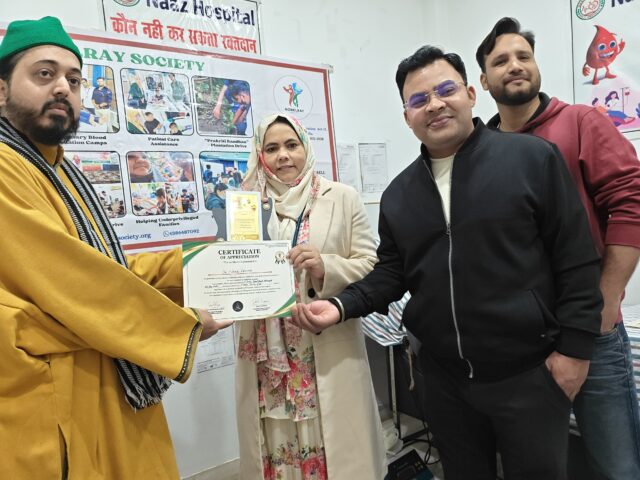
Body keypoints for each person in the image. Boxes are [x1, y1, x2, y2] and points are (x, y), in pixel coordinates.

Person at [293, 46, 603, 480]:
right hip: (444, 381)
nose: (435, 105)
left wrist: (574, 352)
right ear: (407, 116)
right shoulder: (400, 194)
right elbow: (392, 272)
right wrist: (341, 305)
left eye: (446, 90)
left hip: (529, 374)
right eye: (419, 100)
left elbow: (576, 260)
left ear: (471, 94)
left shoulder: (532, 159)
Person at [0, 16, 232, 479]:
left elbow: (107, 267)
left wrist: (201, 262)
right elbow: (78, 285)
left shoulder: (60, 169)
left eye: (74, 80)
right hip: (52, 395)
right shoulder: (6, 167)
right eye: (44, 74)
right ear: (1, 89)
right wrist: (181, 327)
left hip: (105, 374)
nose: (63, 88)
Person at [476, 17, 640, 479]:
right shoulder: (481, 150)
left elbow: (631, 205)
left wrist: (603, 305)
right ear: (483, 82)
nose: (514, 66)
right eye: (500, 61)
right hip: (520, 341)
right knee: (539, 464)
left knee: (616, 464)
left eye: (523, 56)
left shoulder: (580, 122)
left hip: (591, 329)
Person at [236, 113, 385, 479]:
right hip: (267, 357)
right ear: (260, 155)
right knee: (275, 444)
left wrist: (325, 266)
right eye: (271, 148)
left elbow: (372, 265)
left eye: (291, 145)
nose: (283, 156)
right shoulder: (245, 205)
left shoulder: (341, 197)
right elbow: (232, 267)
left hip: (322, 345)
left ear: (305, 147)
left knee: (336, 449)